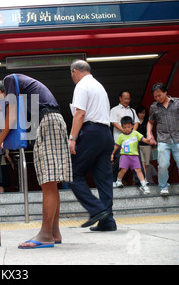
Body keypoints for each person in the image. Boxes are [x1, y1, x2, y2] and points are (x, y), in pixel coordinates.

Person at [0, 74, 72, 249]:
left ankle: (45, 235)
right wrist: (0, 139)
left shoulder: (9, 80)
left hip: (48, 123)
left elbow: (11, 116)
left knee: (48, 182)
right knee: (50, 183)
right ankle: (54, 232)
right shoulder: (18, 88)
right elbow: (16, 123)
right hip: (50, 122)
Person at [68, 60, 117, 232]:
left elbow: (80, 113)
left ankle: (97, 210)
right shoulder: (99, 86)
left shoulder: (82, 86)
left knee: (74, 175)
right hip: (105, 134)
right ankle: (108, 221)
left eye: (72, 75)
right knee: (104, 180)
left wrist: (72, 137)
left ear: (75, 71)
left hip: (91, 133)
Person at [147, 83, 179, 202]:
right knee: (163, 165)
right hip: (163, 139)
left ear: (165, 92)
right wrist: (149, 134)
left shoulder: (178, 102)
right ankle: (163, 186)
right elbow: (150, 122)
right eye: (155, 96)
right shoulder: (154, 107)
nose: (157, 98)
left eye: (159, 95)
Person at [111, 116, 152, 194]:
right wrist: (112, 154)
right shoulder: (121, 136)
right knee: (123, 169)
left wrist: (149, 141)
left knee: (138, 170)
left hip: (135, 156)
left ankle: (144, 185)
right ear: (122, 127)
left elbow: (144, 140)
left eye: (129, 127)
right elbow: (116, 146)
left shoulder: (135, 133)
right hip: (124, 156)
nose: (127, 129)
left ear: (132, 126)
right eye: (125, 127)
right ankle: (119, 181)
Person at [110, 91, 140, 186]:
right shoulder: (114, 110)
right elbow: (114, 123)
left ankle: (139, 181)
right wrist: (124, 131)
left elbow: (136, 123)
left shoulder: (132, 111)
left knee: (136, 160)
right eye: (125, 99)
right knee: (119, 160)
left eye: (128, 99)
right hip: (119, 140)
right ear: (120, 98)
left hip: (132, 142)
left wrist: (132, 133)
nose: (127, 101)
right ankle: (114, 180)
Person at [136, 105, 154, 183]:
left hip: (147, 144)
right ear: (137, 113)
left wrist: (153, 139)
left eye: (143, 113)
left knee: (146, 163)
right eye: (140, 113)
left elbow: (150, 132)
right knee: (142, 162)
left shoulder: (148, 122)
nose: (142, 114)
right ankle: (143, 179)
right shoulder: (135, 122)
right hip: (138, 144)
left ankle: (145, 177)